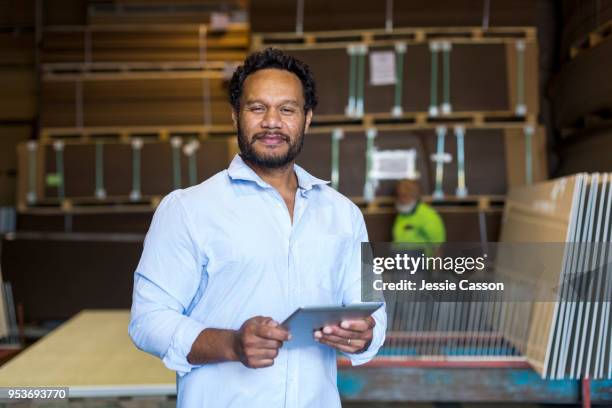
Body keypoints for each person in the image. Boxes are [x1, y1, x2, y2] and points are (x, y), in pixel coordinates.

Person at [128, 48, 387, 407]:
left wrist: (364, 334)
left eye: (287, 109)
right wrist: (231, 344)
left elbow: (372, 309)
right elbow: (148, 320)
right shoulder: (188, 209)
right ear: (236, 115)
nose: (272, 122)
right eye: (257, 108)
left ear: (307, 118)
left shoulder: (345, 214)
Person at [392, 179, 446, 252]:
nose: (401, 200)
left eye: (405, 196)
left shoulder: (428, 215)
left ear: (414, 195)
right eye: (399, 195)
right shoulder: (402, 214)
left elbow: (438, 246)